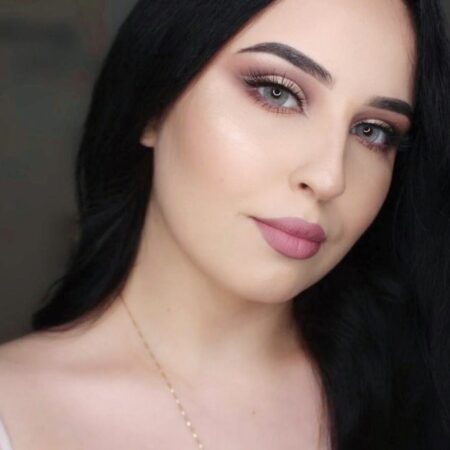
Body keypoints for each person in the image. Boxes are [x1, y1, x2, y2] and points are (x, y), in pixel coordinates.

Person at [0, 0, 449, 448]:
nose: (330, 177)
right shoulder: (16, 413)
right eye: (278, 93)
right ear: (153, 102)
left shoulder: (422, 394)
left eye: (373, 131)